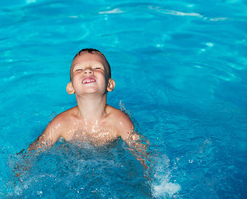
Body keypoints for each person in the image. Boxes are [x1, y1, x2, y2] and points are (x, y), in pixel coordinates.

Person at [18, 48, 149, 169]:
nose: (87, 71)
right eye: (78, 70)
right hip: (72, 165)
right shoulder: (61, 123)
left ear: (109, 84)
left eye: (97, 67)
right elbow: (31, 154)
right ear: (70, 88)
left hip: (111, 166)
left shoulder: (119, 121)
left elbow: (144, 155)